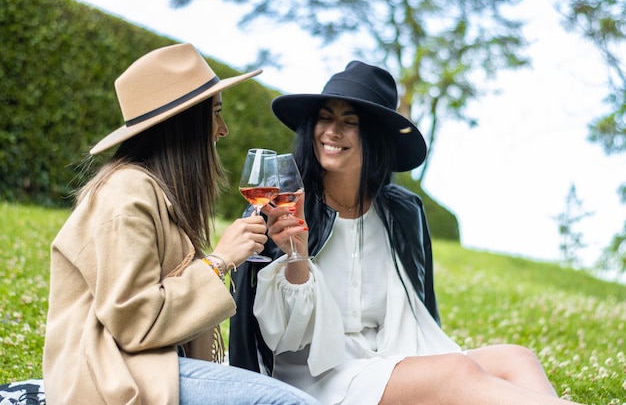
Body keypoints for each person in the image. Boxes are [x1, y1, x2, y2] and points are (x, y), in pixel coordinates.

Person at [229, 61, 586, 405]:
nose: (332, 131)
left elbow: (421, 308)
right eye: (325, 118)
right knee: (455, 372)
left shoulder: (401, 210)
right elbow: (281, 334)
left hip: (386, 356)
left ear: (374, 137)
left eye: (349, 121)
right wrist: (297, 253)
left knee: (517, 358)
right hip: (317, 372)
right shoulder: (284, 205)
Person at [42, 43, 321, 405]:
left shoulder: (156, 192)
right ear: (184, 124)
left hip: (154, 368)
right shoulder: (126, 192)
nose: (223, 130)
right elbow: (134, 321)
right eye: (215, 115)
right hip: (114, 378)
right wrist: (219, 262)